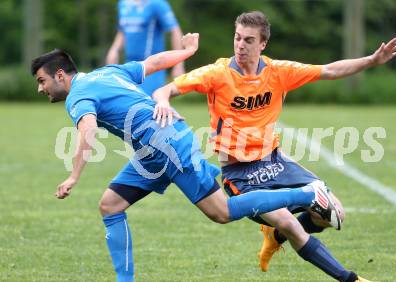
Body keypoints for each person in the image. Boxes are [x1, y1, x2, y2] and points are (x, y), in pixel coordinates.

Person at [31, 33, 339, 282]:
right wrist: (187, 52)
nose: (40, 88)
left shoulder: (77, 96)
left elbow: (87, 130)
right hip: (152, 152)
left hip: (168, 147)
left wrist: (73, 176)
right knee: (110, 205)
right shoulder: (105, 74)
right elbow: (153, 63)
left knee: (222, 212)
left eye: (42, 81)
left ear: (60, 74)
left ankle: (307, 193)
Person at [153, 11, 396, 282]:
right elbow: (165, 90)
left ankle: (275, 236)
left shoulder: (279, 72)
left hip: (275, 162)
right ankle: (350, 279)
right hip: (240, 174)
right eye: (237, 38)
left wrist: (372, 60)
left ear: (263, 44)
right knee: (290, 223)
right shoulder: (218, 73)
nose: (240, 45)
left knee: (332, 214)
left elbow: (329, 70)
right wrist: (164, 102)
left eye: (249, 40)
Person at [106, 0, 185, 96]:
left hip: (152, 66)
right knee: (128, 104)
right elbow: (122, 31)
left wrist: (179, 64)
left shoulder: (157, 4)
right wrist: (114, 50)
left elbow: (175, 30)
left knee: (151, 104)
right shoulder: (123, 4)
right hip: (130, 66)